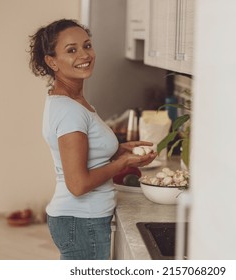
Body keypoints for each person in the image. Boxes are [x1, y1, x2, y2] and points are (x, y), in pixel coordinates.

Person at [28, 19, 156, 260]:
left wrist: (118, 150)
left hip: (79, 221)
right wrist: (122, 163)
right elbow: (77, 185)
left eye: (87, 45)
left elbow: (85, 153)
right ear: (51, 61)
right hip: (81, 221)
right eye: (71, 50)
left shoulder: (72, 101)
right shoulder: (70, 111)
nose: (84, 55)